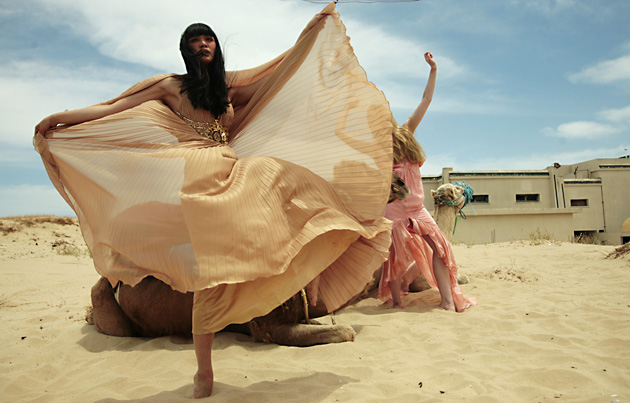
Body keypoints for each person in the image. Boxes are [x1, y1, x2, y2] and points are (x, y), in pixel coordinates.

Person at [34, 4, 394, 398]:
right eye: (195, 40)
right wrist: (61, 119)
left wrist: (310, 37)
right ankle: (203, 372)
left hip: (230, 169)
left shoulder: (229, 89)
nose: (203, 44)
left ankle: (336, 235)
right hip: (198, 174)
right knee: (210, 269)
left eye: (208, 38)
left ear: (217, 46)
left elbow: (280, 77)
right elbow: (115, 106)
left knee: (281, 177)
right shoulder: (171, 86)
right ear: (185, 48)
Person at [378, 52, 476, 312]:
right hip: (394, 210)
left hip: (417, 208)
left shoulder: (406, 131)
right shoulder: (377, 149)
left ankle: (447, 301)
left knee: (440, 249)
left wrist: (433, 69)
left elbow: (426, 100)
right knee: (394, 257)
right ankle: (397, 303)